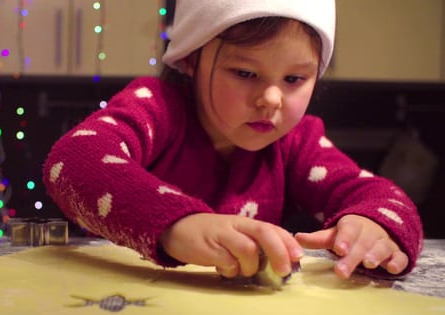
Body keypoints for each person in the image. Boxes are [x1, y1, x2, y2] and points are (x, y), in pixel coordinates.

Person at [43, 0, 423, 281]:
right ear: (191, 60)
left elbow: (382, 197)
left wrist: (372, 226)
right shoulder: (157, 109)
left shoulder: (296, 142)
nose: (271, 99)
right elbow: (72, 161)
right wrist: (178, 224)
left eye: (294, 79)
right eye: (245, 72)